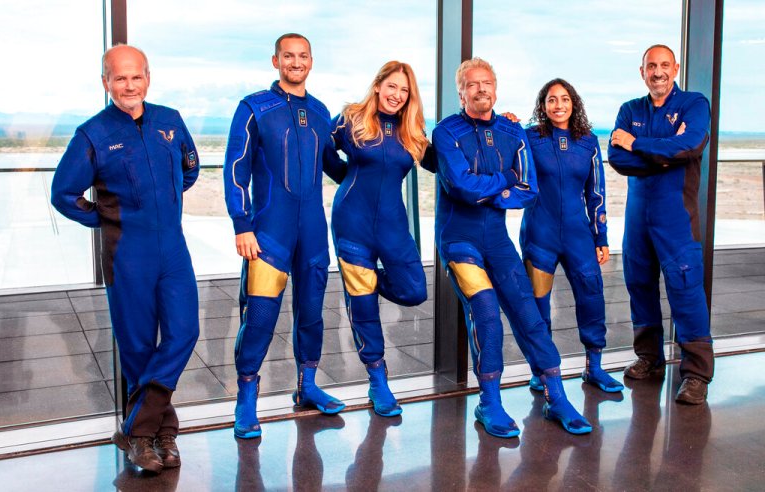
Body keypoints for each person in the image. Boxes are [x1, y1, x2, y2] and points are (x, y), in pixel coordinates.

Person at [51, 45, 200, 473]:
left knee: (184, 332)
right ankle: (160, 436)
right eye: (120, 78)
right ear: (106, 82)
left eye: (136, 77)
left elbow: (189, 169)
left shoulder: (170, 121)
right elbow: (63, 193)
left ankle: (134, 429)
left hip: (173, 248)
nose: (129, 85)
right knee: (137, 347)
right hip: (126, 253)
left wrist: (164, 205)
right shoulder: (92, 134)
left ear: (148, 78)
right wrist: (108, 217)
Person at [433, 58, 591, 437]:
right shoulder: (446, 132)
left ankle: (556, 397)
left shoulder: (512, 131)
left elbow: (528, 188)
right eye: (473, 84)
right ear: (461, 93)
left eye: (487, 82)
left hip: (497, 240)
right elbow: (461, 186)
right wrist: (504, 179)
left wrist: (490, 190)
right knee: (487, 313)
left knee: (529, 314)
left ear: (496, 88)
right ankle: (489, 402)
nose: (481, 89)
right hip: (459, 241)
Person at [223, 33, 346, 439]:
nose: (296, 62)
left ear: (311, 60)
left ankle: (307, 386)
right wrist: (242, 224)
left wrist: (376, 163)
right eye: (288, 56)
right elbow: (235, 168)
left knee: (311, 313)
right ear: (275, 60)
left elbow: (335, 165)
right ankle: (246, 397)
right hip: (268, 234)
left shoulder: (321, 111)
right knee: (259, 317)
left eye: (303, 56)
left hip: (312, 234)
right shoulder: (255, 107)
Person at [608, 44, 713, 404]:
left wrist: (637, 143)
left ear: (676, 68)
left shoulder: (694, 104)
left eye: (664, 65)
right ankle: (649, 359)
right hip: (638, 219)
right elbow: (617, 159)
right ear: (642, 72)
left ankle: (696, 374)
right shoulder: (630, 109)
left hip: (677, 219)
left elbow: (690, 146)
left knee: (685, 289)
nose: (658, 72)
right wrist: (666, 152)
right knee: (639, 284)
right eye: (651, 66)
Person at [330, 61, 434, 417]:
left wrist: (502, 126)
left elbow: (441, 161)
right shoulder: (351, 118)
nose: (397, 95)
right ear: (377, 86)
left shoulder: (412, 129)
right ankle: (378, 380)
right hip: (352, 220)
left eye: (404, 90)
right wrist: (348, 179)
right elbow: (325, 153)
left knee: (414, 289)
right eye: (392, 86)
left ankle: (364, 284)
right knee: (363, 305)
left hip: (393, 225)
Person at [520, 79, 624, 393]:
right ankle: (542, 369)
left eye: (564, 99)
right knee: (538, 304)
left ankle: (594, 367)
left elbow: (597, 193)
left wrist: (601, 236)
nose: (559, 105)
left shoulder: (588, 142)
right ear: (543, 105)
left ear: (573, 103)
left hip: (579, 236)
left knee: (592, 297)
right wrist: (506, 121)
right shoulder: (530, 137)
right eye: (552, 99)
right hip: (540, 234)